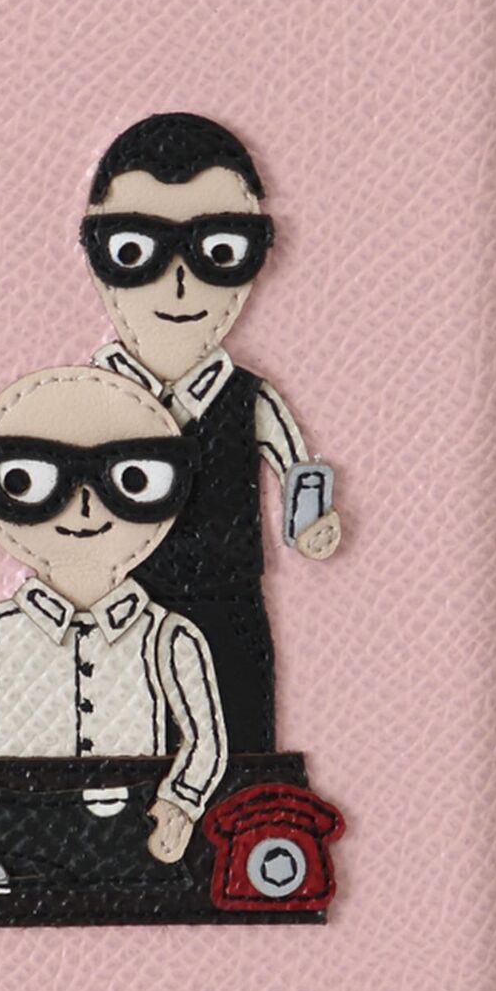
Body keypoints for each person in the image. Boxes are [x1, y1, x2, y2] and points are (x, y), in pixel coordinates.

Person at [0, 366, 228, 886]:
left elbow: (208, 740)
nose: (85, 505)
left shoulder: (167, 637)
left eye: (133, 480)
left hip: (131, 839)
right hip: (9, 834)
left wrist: (182, 801)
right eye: (27, 480)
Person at [82, 112, 342, 753]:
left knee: (238, 734)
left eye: (219, 250)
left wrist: (311, 524)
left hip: (227, 595)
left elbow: (295, 469)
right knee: (126, 743)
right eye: (134, 250)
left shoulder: (247, 398)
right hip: (121, 595)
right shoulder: (89, 394)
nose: (178, 281)